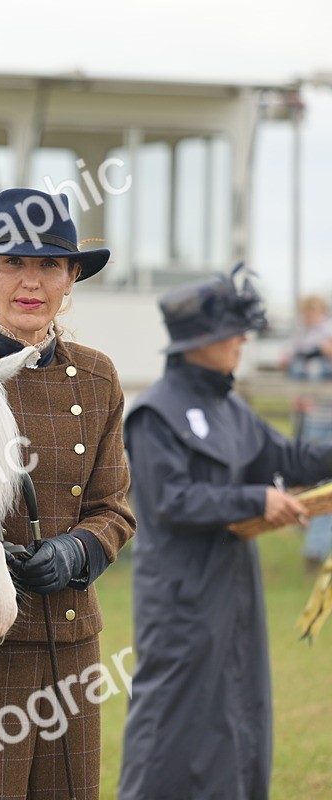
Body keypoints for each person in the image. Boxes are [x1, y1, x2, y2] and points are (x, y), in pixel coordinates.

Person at [0, 187, 136, 799]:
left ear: (71, 279)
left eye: (49, 265)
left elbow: (113, 508)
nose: (30, 282)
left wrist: (75, 552)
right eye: (13, 262)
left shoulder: (97, 376)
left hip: (70, 641)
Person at [118, 269, 332, 800]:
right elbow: (171, 501)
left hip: (236, 592)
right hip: (181, 598)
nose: (243, 340)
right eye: (234, 331)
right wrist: (256, 500)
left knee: (240, 711)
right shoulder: (154, 414)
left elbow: (291, 458)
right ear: (199, 341)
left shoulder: (231, 408)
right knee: (172, 721)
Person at [282, 295, 332, 568]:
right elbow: (291, 366)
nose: (310, 317)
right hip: (315, 419)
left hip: (324, 418)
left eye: (314, 312)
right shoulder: (304, 339)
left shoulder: (324, 334)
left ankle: (316, 547)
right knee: (317, 482)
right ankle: (315, 545)